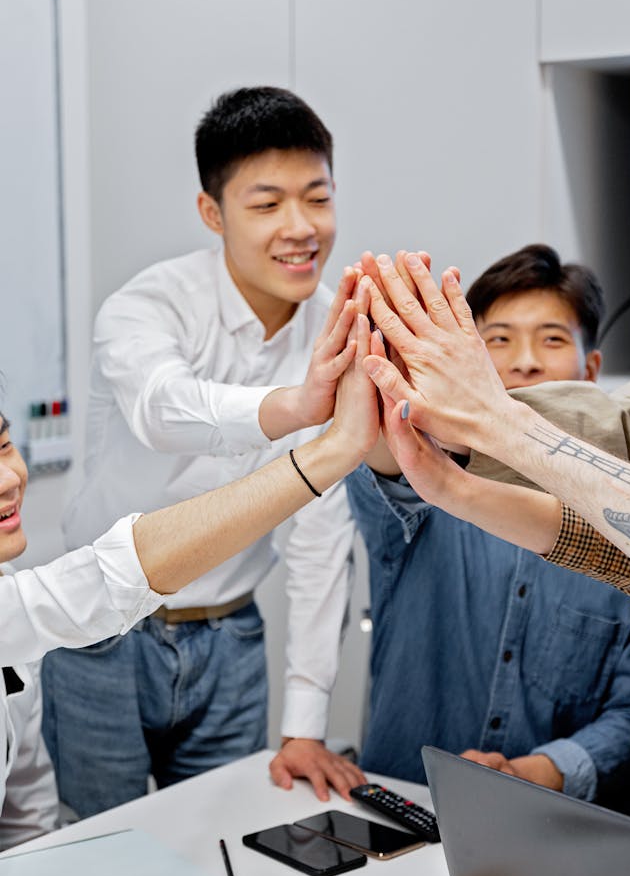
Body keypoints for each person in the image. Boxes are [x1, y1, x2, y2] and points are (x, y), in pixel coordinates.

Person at [358, 239, 630, 836]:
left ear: (590, 372)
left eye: (551, 339)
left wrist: (492, 425)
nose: (524, 363)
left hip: (557, 831)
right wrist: (447, 455)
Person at [43, 87, 364, 817]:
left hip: (230, 637)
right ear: (212, 214)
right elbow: (162, 409)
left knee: (225, 850)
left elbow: (320, 534)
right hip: (103, 629)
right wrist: (289, 407)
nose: (300, 228)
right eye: (267, 204)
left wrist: (306, 724)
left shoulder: (336, 324)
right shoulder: (146, 307)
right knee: (100, 857)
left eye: (317, 198)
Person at [0, 307, 379, 847]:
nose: (10, 479)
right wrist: (331, 445)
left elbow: (26, 814)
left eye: (5, 446)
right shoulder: (152, 305)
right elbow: (116, 573)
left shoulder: (13, 599)